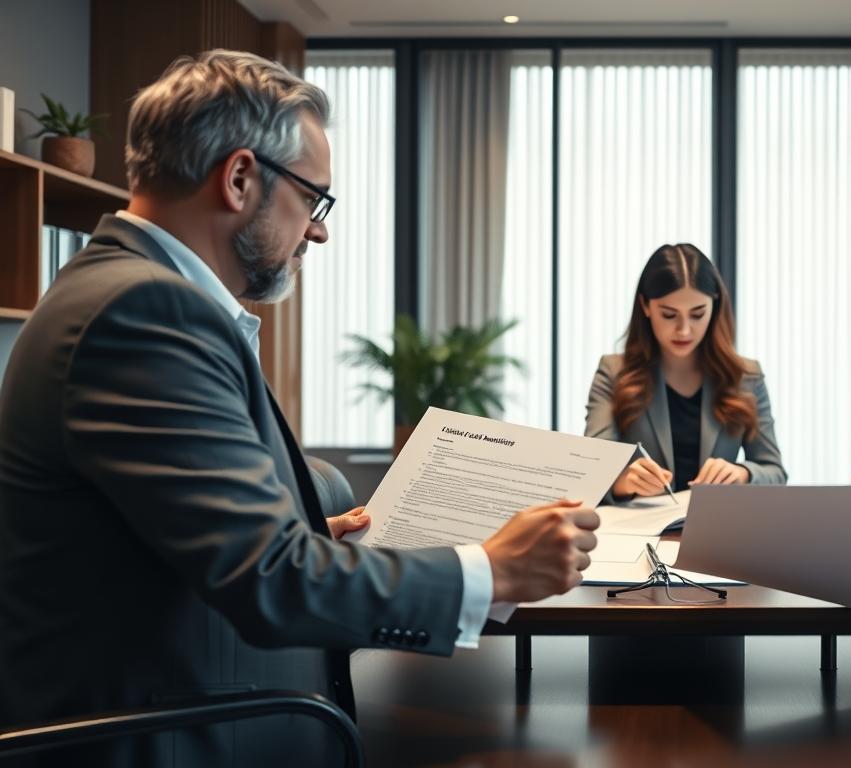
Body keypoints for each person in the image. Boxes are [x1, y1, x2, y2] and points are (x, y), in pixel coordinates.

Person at [0, 50, 597, 766]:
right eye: (314, 198)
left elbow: (188, 535)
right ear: (241, 178)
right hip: (172, 737)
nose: (318, 230)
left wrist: (303, 527)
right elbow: (270, 580)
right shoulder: (145, 311)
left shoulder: (131, 292)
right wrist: (492, 570)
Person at [585, 244, 785, 498]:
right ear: (645, 306)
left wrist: (742, 473)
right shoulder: (613, 373)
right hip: (638, 533)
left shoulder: (746, 376)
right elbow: (591, 474)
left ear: (714, 307)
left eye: (697, 314)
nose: (684, 330)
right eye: (669, 315)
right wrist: (625, 481)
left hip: (717, 530)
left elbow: (775, 472)